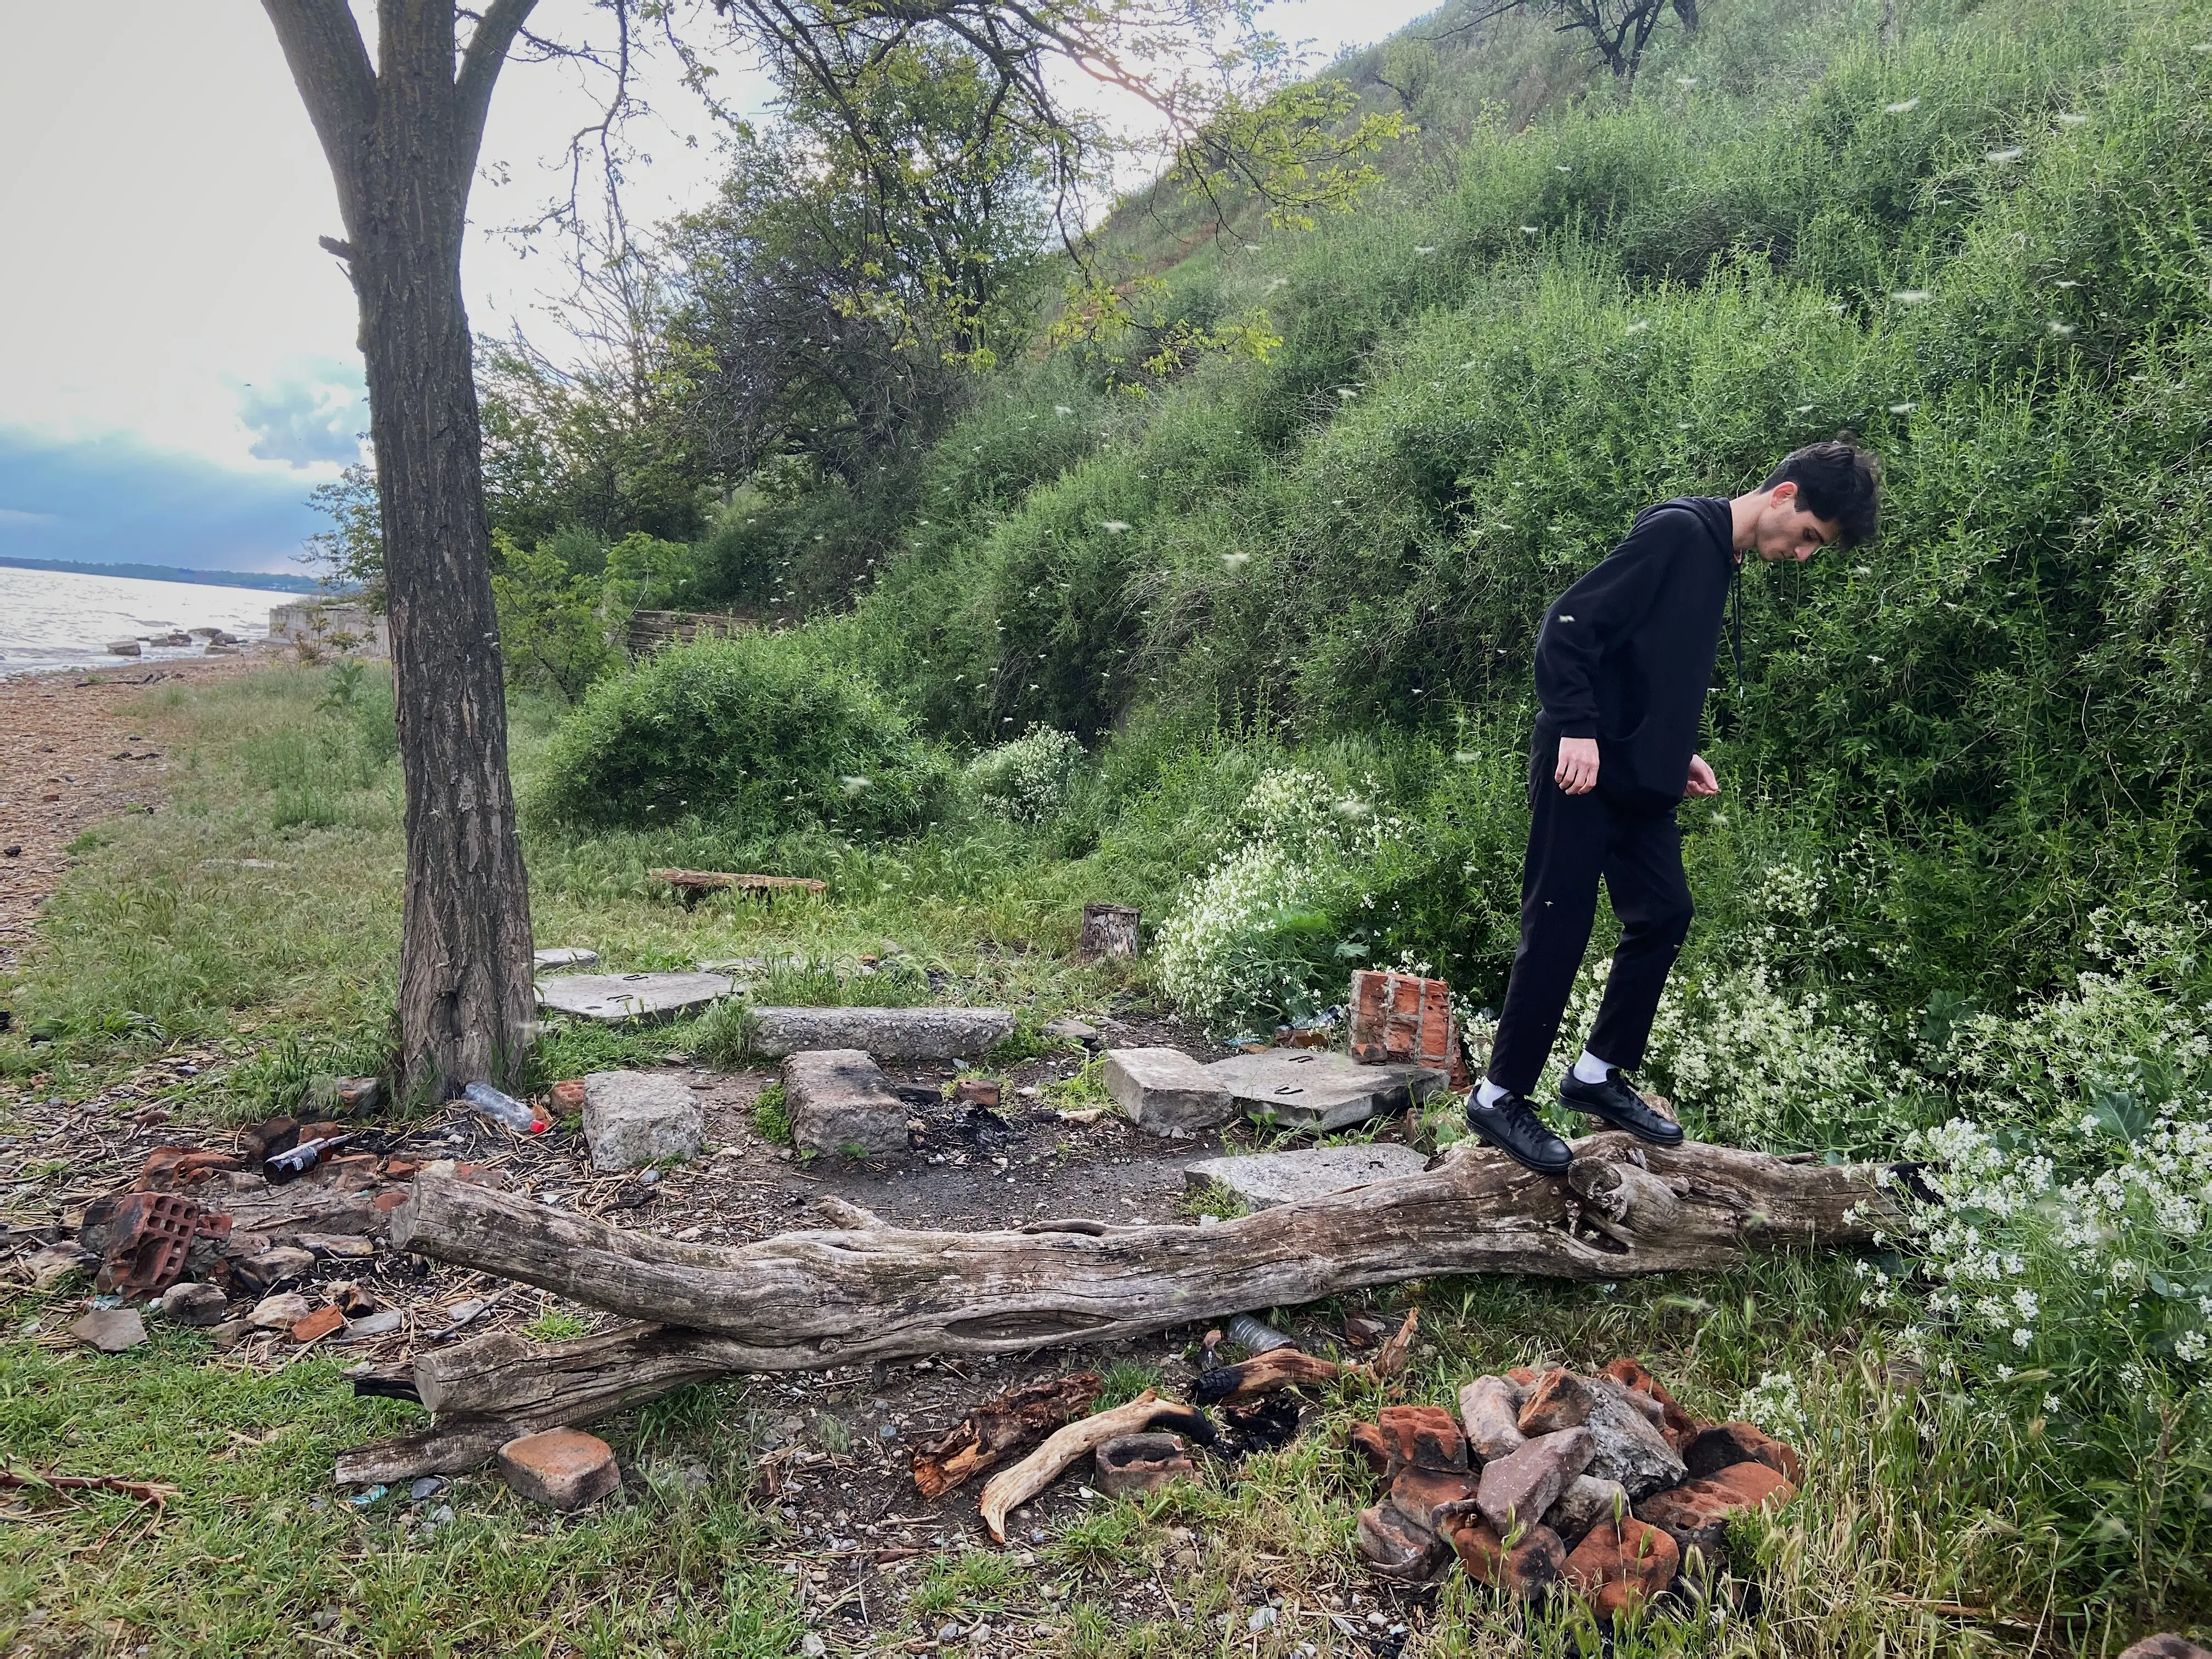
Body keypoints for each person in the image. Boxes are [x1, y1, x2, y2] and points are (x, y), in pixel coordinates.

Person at [1465, 440, 1883, 1174]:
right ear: (1783, 495)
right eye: (1812, 536)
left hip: (1638, 774)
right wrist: (1578, 728)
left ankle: (1595, 1075)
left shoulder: (1719, 560)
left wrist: (1668, 749)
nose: (1805, 556)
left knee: (1665, 912)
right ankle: (1499, 1097)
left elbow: (1644, 663)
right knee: (1560, 925)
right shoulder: (1680, 534)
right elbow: (1568, 627)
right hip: (1582, 770)